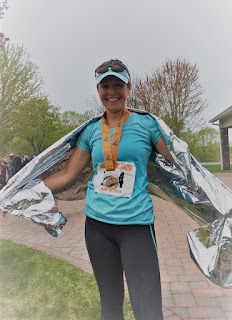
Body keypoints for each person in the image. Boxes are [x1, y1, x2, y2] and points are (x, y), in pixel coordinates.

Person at [2, 59, 180, 319]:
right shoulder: (91, 131)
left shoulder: (147, 125)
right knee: (110, 305)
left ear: (129, 87)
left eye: (118, 85)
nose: (111, 92)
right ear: (98, 91)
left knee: (148, 308)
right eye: (105, 86)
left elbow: (182, 165)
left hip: (136, 227)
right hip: (98, 228)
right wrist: (18, 193)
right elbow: (67, 174)